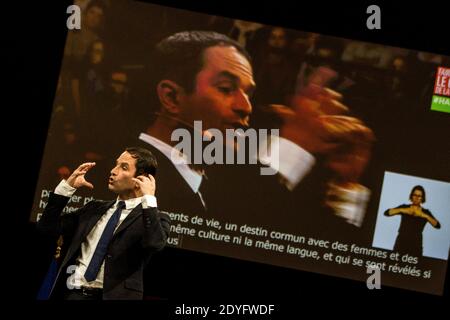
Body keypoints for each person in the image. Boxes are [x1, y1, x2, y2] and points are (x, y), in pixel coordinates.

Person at [138, 31, 374, 233]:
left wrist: (345, 184)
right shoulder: (133, 177)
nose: (245, 106)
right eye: (226, 88)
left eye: (247, 94)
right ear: (172, 97)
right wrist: (295, 146)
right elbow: (236, 233)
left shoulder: (222, 176)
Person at [37, 147, 171, 300]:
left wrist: (149, 199)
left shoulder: (155, 217)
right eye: (116, 164)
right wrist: (66, 188)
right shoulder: (93, 209)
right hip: (73, 295)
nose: (113, 171)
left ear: (140, 180)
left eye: (124, 167)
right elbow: (46, 227)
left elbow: (154, 244)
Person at [384, 185, 441, 257]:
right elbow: (387, 213)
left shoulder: (425, 212)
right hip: (401, 243)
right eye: (415, 195)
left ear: (422, 198)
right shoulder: (405, 207)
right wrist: (403, 210)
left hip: (416, 245)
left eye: (419, 196)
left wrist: (424, 215)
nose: (417, 197)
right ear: (411, 196)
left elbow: (437, 225)